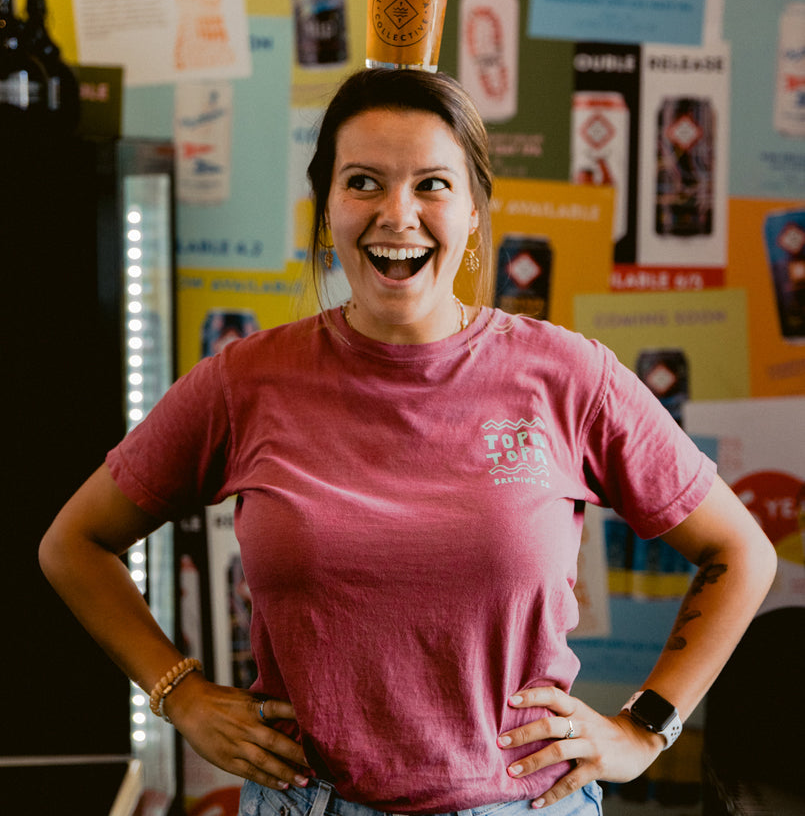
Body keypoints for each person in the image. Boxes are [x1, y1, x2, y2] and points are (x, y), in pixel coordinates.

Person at [40, 67, 776, 816]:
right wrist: (182, 693)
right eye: (363, 181)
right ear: (326, 209)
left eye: (431, 184)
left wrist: (644, 729)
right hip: (308, 803)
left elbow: (739, 551)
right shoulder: (246, 381)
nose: (398, 214)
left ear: (474, 214)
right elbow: (74, 543)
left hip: (519, 805)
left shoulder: (567, 375)